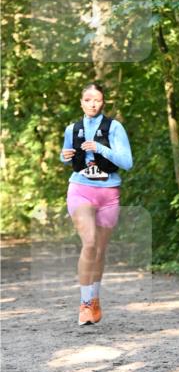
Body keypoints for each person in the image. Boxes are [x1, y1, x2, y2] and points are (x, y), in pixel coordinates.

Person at [60, 83, 133, 325]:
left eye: (97, 100)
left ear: (103, 103)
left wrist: (100, 148)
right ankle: (84, 303)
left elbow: (127, 162)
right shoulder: (72, 128)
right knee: (89, 243)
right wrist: (64, 156)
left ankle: (95, 298)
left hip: (108, 193)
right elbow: (65, 156)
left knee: (100, 250)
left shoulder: (114, 128)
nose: (92, 104)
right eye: (88, 99)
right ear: (81, 102)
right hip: (80, 189)